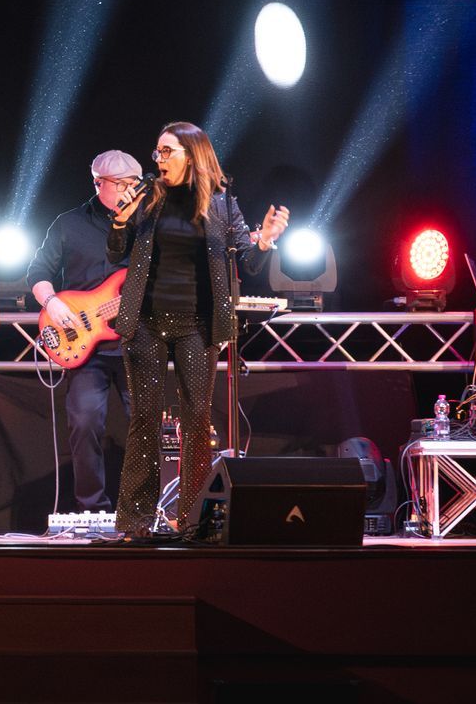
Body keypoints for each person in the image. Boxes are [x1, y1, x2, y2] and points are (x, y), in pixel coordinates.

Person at [107, 121, 288, 540]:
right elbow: (115, 253)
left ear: (192, 155)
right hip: (146, 321)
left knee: (196, 420)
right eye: (157, 152)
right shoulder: (147, 196)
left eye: (167, 151)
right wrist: (119, 223)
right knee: (145, 418)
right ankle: (135, 522)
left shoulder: (221, 202)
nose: (159, 159)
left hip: (198, 324)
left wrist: (264, 241)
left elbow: (248, 258)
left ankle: (193, 520)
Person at [28, 149, 144, 514]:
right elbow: (37, 273)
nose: (130, 190)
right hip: (85, 346)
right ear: (99, 184)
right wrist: (52, 303)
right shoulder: (68, 223)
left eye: (134, 183)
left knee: (147, 426)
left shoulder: (148, 225)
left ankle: (145, 509)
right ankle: (92, 510)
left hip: (137, 342)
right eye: (121, 184)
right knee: (84, 422)